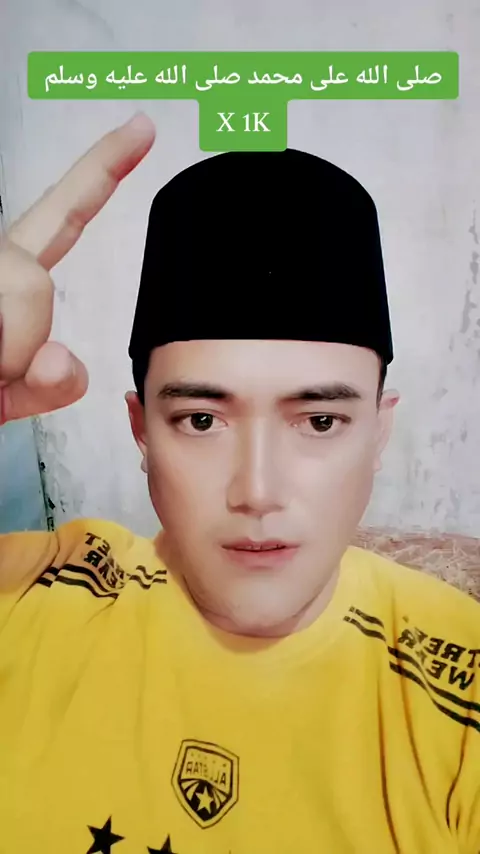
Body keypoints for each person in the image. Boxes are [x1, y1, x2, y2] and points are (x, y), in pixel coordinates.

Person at [0, 113, 479, 854]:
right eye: (201, 420)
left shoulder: (461, 684)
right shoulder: (31, 597)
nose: (257, 491)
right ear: (141, 430)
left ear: (379, 432)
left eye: (320, 421)